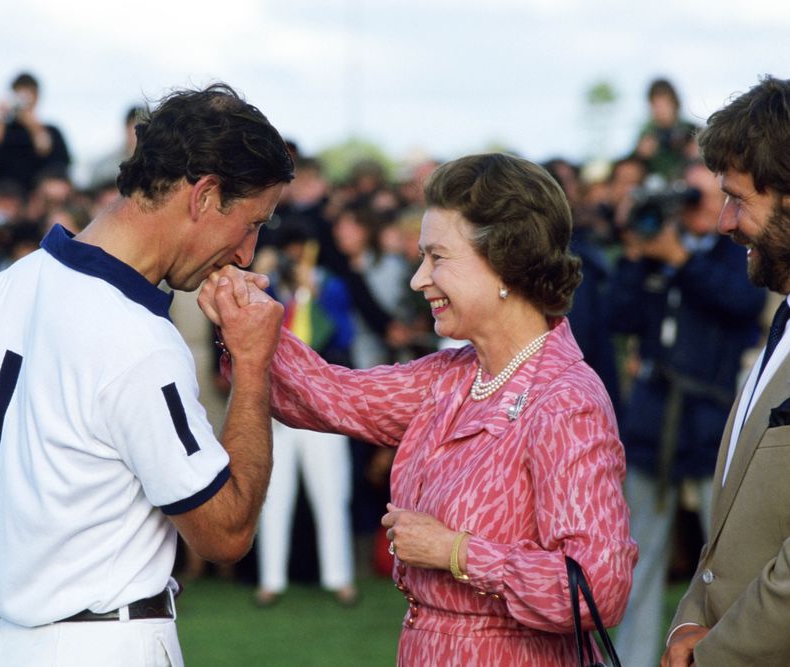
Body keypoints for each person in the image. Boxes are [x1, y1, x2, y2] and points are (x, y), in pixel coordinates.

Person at [0, 83, 293, 666]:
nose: (247, 253)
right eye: (253, 223)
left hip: (6, 646)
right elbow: (225, 533)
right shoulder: (139, 340)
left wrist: (24, 599)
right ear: (205, 196)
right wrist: (253, 364)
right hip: (110, 644)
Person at [200, 153, 637, 665]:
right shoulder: (450, 376)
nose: (418, 279)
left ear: (506, 260)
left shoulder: (566, 402)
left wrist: (456, 551)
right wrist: (243, 314)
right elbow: (331, 396)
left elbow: (597, 588)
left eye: (437, 257)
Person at [609, 160, 765, 667]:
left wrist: (680, 259)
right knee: (639, 559)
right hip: (652, 424)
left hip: (711, 424)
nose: (696, 205)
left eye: (708, 194)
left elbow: (741, 305)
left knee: (727, 558)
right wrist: (636, 253)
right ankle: (632, 660)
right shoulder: (652, 253)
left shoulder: (737, 252)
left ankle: (726, 656)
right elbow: (619, 315)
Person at [661, 75, 790, 666]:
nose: (724, 222)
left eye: (739, 199)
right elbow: (734, 523)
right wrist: (691, 618)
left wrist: (715, 652)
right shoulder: (782, 322)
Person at [253, 219, 358, 608]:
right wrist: (260, 276)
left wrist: (317, 296)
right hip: (278, 403)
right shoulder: (268, 286)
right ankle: (270, 580)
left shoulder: (330, 285)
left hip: (321, 404)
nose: (294, 257)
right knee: (273, 495)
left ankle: (340, 578)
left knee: (331, 493)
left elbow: (344, 336)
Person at [0, 72, 71, 197]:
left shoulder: (52, 132)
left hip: (38, 198)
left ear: (37, 97)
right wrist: (0, 118)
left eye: (28, 95)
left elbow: (59, 163)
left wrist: (34, 127)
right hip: (4, 197)